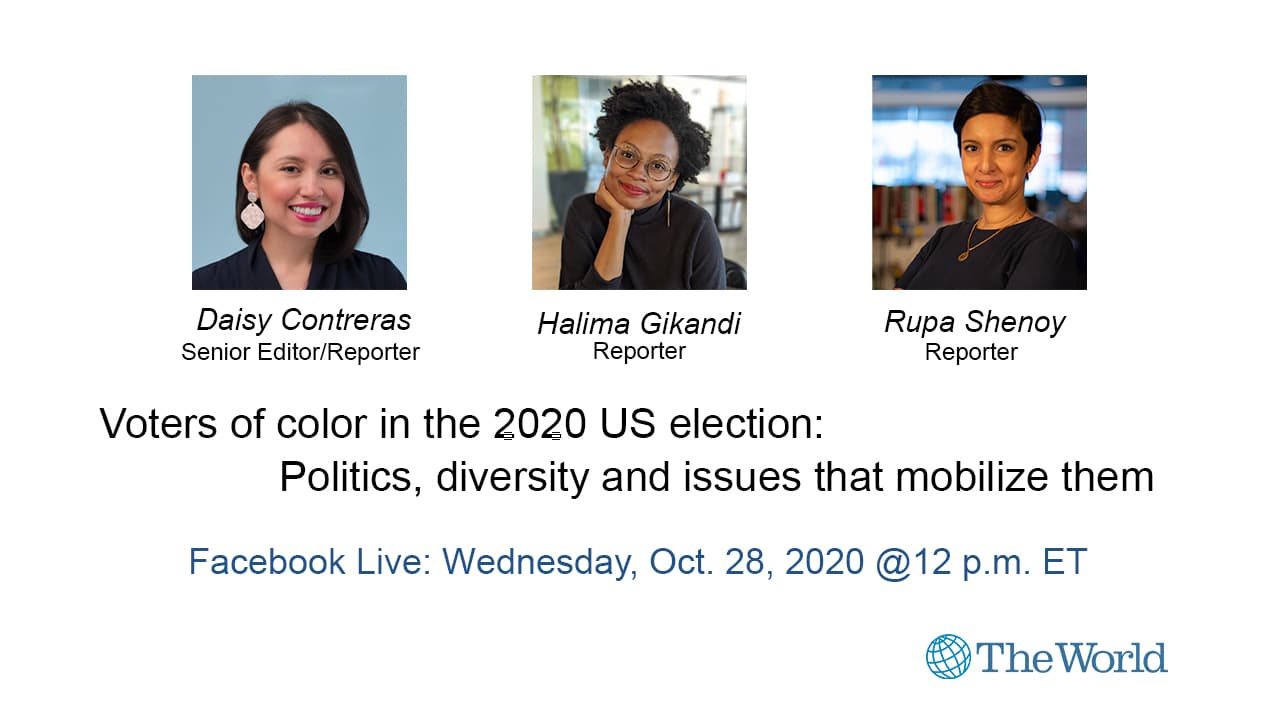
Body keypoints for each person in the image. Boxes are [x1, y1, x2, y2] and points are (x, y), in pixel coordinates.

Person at [193, 102, 406, 290]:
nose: (312, 189)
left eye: (328, 171)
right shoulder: (204, 286)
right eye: (291, 169)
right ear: (251, 178)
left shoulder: (382, 281)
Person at [895, 82, 1080, 290]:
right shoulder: (943, 238)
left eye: (1004, 147)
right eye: (972, 148)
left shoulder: (1047, 245)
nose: (985, 166)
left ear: (1032, 157)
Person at [559, 82, 726, 290]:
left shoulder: (696, 225)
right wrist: (619, 221)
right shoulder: (583, 213)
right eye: (628, 155)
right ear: (608, 155)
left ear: (672, 179)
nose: (638, 173)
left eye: (658, 166)